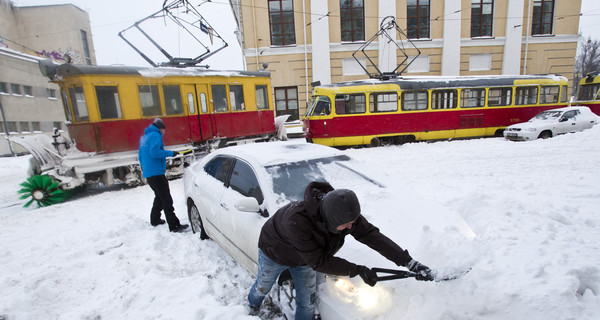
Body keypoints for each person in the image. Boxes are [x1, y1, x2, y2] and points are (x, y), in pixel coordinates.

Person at [247, 181, 434, 319]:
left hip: (306, 258)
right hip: (275, 252)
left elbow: (371, 236)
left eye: (352, 224)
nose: (350, 228)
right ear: (330, 220)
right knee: (263, 286)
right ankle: (252, 306)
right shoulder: (297, 222)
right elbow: (320, 262)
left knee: (307, 303)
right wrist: (357, 270)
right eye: (345, 226)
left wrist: (408, 261)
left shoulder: (343, 213)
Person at [139, 118, 189, 233]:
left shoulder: (144, 137)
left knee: (159, 196)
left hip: (149, 173)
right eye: (163, 130)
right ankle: (174, 226)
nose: (164, 132)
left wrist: (146, 169)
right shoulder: (156, 135)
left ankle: (155, 219)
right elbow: (154, 152)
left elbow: (141, 157)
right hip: (157, 173)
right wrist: (171, 153)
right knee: (166, 199)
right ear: (160, 128)